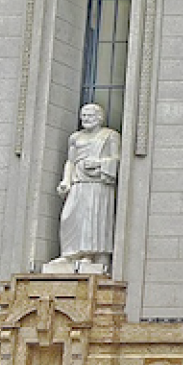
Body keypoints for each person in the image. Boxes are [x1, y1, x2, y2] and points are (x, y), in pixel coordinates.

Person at [55, 103, 122, 271]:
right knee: (68, 216)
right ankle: (69, 254)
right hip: (78, 182)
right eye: (83, 116)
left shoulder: (110, 136)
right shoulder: (75, 138)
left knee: (93, 217)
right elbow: (70, 161)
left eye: (90, 116)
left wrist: (99, 164)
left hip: (98, 183)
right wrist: (66, 180)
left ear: (99, 118)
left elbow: (117, 159)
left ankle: (90, 256)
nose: (86, 119)